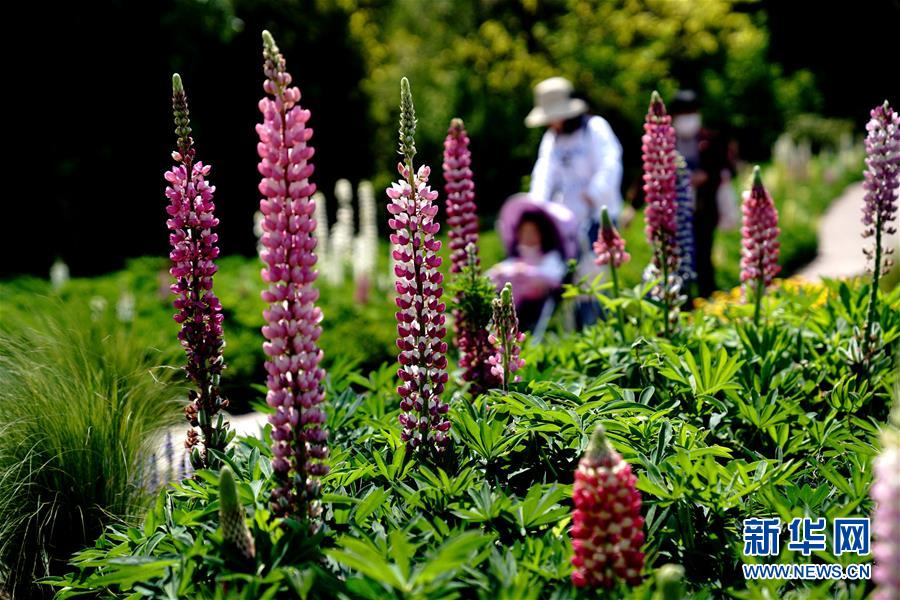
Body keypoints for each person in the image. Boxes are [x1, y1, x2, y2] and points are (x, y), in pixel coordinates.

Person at [669, 90, 735, 298]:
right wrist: (633, 207)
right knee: (678, 261)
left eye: (692, 112)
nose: (688, 117)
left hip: (704, 208)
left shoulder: (710, 139)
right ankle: (683, 302)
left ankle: (707, 300)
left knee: (704, 256)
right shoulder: (666, 142)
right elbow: (650, 175)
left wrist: (706, 176)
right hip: (676, 213)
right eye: (683, 113)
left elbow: (728, 169)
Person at [487, 194, 577, 333]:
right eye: (524, 232)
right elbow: (494, 274)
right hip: (509, 313)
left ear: (542, 234)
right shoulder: (516, 259)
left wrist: (526, 273)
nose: (528, 236)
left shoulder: (550, 257)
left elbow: (555, 278)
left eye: (533, 232)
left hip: (534, 309)